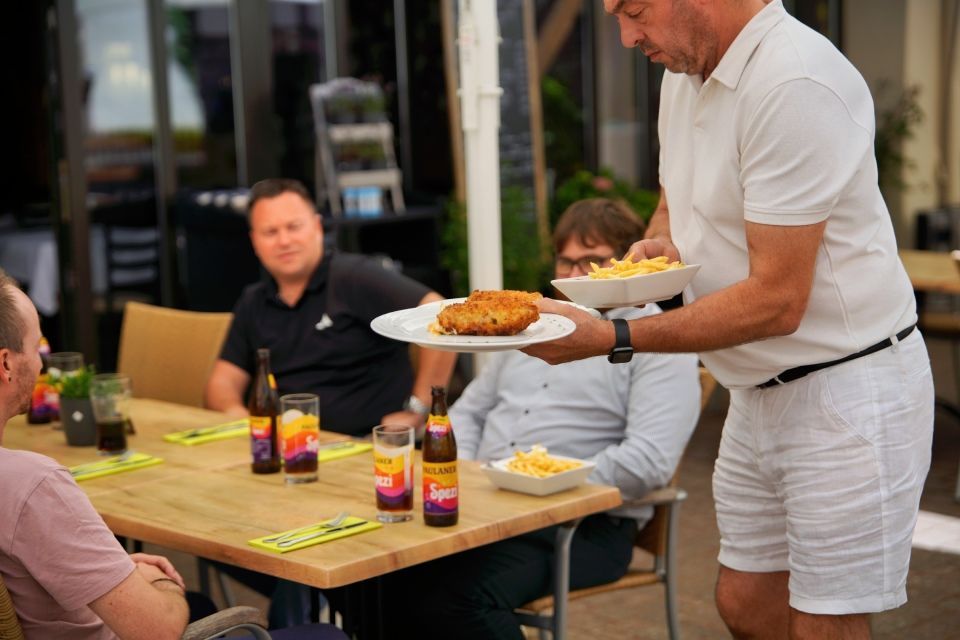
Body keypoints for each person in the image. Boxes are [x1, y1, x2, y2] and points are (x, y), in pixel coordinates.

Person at [524, 2, 935, 639]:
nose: (627, 37)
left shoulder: (795, 81)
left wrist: (616, 336)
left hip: (848, 388)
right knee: (743, 602)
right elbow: (673, 200)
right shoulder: (682, 74)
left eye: (633, 11)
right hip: (754, 387)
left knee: (825, 622)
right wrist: (662, 248)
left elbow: (777, 299)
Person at [381, 198, 702, 639]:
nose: (574, 276)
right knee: (377, 578)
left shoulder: (653, 338)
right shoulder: (531, 323)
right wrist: (469, 476)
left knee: (454, 598)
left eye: (592, 261)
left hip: (584, 527)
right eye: (566, 261)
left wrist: (538, 485)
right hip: (487, 510)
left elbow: (647, 462)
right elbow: (469, 413)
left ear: (628, 263)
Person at [0, 270, 190, 639]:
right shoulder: (31, 484)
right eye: (36, 346)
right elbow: (158, 631)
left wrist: (108, 572)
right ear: (6, 364)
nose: (43, 364)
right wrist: (162, 583)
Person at [205, 178, 457, 436]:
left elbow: (439, 313)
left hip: (367, 444)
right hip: (289, 446)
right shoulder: (254, 300)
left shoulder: (355, 277)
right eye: (270, 232)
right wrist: (239, 416)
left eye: (294, 227)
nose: (284, 241)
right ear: (254, 241)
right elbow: (223, 381)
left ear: (316, 226)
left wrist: (418, 409)